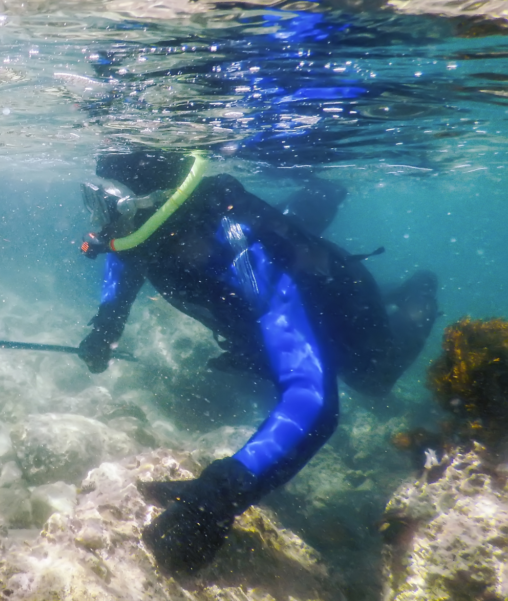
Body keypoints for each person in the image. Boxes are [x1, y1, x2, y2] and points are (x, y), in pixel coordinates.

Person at [76, 149, 438, 574]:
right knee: (263, 357)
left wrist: (219, 496)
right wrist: (107, 323)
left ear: (159, 206)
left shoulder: (247, 253)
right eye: (96, 199)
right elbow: (126, 258)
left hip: (342, 311)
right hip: (266, 313)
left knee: (373, 378)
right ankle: (317, 200)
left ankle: (417, 295)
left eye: (109, 205)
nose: (102, 225)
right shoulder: (145, 234)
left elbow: (313, 398)